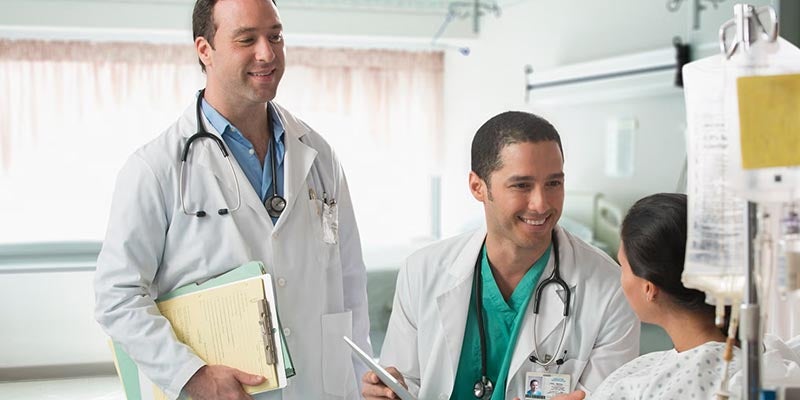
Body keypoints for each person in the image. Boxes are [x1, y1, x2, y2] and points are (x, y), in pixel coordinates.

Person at [93, 0, 371, 399]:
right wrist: (193, 376)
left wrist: (362, 380)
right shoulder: (156, 168)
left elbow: (350, 283)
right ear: (205, 49)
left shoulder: (318, 154)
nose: (267, 53)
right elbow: (117, 297)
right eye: (247, 39)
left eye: (275, 36)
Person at [362, 111, 640, 399]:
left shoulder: (609, 289)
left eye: (554, 183)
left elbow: (608, 395)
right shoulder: (421, 271)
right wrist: (390, 392)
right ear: (478, 187)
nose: (541, 204)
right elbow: (405, 381)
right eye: (521, 185)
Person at [555, 193, 738, 400]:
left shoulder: (642, 384)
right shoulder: (750, 365)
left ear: (649, 289)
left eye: (622, 266)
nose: (620, 278)